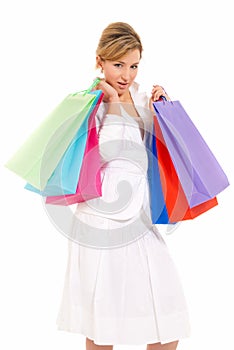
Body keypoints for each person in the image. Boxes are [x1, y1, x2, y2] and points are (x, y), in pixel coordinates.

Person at [56, 22, 191, 350]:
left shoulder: (140, 95)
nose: (126, 74)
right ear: (100, 61)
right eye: (118, 65)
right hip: (102, 219)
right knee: (104, 317)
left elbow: (154, 150)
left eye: (133, 66)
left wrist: (163, 111)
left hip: (139, 216)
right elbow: (105, 154)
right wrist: (113, 103)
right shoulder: (90, 102)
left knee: (165, 313)